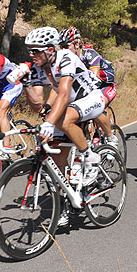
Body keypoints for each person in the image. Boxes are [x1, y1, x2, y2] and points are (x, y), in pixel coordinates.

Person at [22, 27, 106, 226]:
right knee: (58, 163)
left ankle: (90, 156)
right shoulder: (37, 67)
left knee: (64, 120)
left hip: (92, 98)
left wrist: (50, 123)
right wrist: (25, 83)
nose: (31, 55)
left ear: (50, 49)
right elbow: (38, 105)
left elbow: (64, 93)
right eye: (29, 51)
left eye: (36, 51)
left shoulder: (66, 57)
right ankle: (67, 204)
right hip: (70, 106)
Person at [57, 27, 118, 147]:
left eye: (66, 46)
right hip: (88, 86)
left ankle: (110, 137)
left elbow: (94, 80)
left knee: (97, 106)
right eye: (61, 47)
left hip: (105, 85)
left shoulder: (89, 54)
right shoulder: (65, 60)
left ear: (77, 44)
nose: (64, 50)